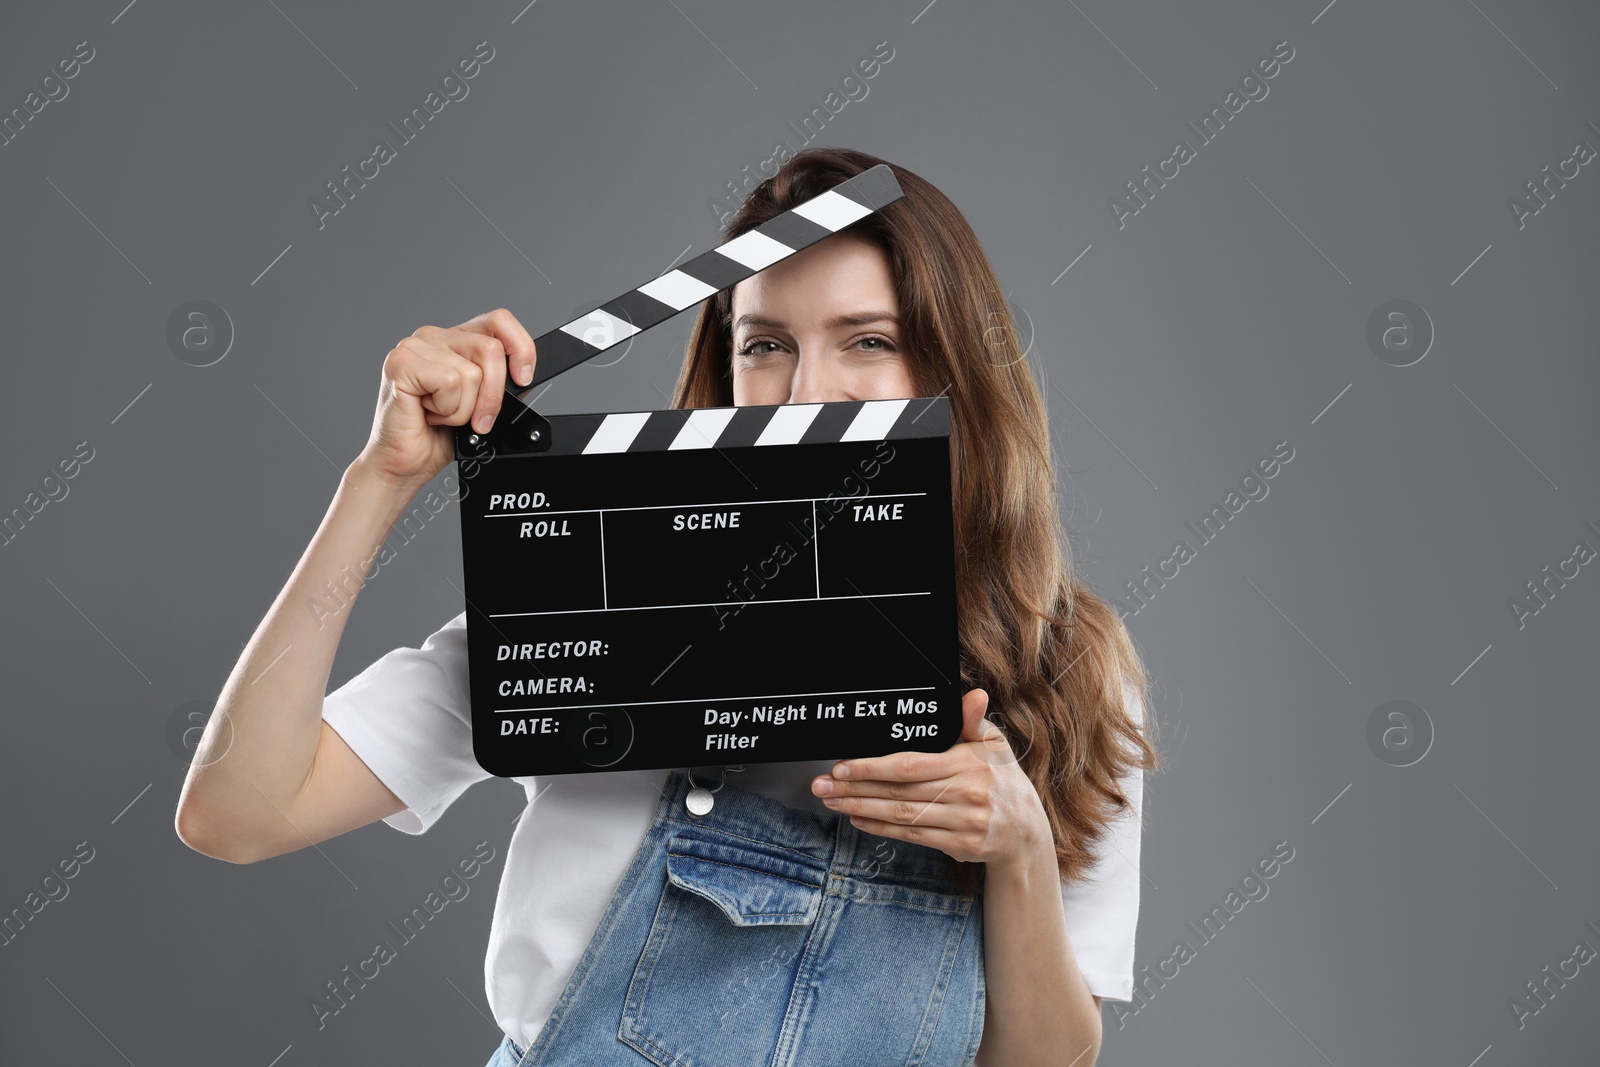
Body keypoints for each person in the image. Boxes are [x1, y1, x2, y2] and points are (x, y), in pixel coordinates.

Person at [175, 147, 1159, 1067]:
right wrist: (378, 481)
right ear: (723, 368)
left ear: (949, 371)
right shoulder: (580, 604)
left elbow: (1043, 1059)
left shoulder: (1064, 665)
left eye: (867, 341)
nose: (805, 391)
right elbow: (237, 810)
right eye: (765, 344)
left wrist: (1019, 846)